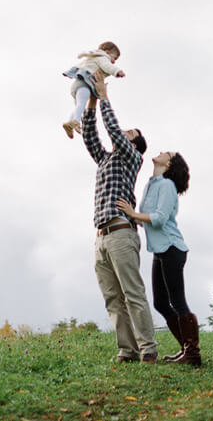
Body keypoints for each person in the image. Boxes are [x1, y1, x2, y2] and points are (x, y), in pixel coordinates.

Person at [81, 88, 157, 363]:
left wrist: (103, 96)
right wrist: (90, 99)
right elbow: (90, 136)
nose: (124, 132)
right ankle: (127, 350)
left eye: (130, 133)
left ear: (135, 145)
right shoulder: (105, 160)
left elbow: (112, 129)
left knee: (132, 293)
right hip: (101, 238)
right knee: (112, 298)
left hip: (122, 233)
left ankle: (148, 347)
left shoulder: (132, 158)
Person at [116, 150, 200, 366]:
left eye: (167, 153)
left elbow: (160, 219)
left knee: (177, 301)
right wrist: (132, 219)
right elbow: (148, 220)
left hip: (172, 248)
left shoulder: (167, 186)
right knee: (161, 302)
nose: (162, 152)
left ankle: (192, 353)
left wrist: (133, 214)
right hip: (160, 250)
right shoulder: (151, 184)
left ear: (169, 163)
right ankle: (186, 349)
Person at [62, 41, 125, 139]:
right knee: (81, 105)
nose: (114, 61)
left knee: (78, 106)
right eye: (114, 58)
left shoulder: (92, 57)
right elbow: (107, 67)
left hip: (77, 84)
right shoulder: (103, 57)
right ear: (107, 52)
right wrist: (117, 71)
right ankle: (75, 122)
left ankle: (69, 123)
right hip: (85, 83)